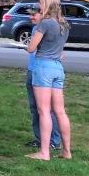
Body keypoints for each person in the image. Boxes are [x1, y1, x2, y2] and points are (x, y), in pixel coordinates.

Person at [26, 0, 72, 161]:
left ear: (46, 5)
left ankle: (44, 152)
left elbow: (31, 48)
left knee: (43, 111)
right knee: (60, 111)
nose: (38, 6)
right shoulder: (64, 24)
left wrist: (32, 42)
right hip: (58, 68)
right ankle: (66, 151)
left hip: (43, 67)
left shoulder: (44, 24)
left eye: (40, 4)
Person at [23, 9, 62, 152]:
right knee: (35, 108)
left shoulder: (51, 28)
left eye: (34, 14)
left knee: (48, 109)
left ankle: (54, 140)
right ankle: (40, 138)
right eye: (30, 14)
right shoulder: (36, 29)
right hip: (33, 69)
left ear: (43, 14)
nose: (31, 17)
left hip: (43, 71)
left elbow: (32, 48)